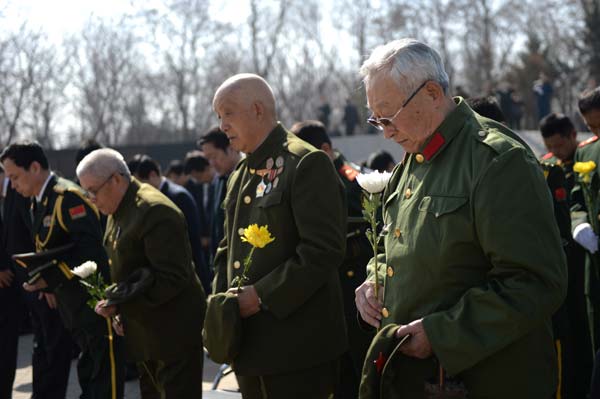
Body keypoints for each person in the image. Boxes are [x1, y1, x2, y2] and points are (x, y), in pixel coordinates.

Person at [354, 39, 566, 398]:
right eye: (377, 120)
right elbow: (398, 246)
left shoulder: (495, 159)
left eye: (389, 117)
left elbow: (535, 281)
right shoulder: (415, 159)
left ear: (432, 93)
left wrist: (442, 333)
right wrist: (374, 280)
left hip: (488, 380)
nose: (386, 132)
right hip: (420, 380)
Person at [207, 73, 348, 399]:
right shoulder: (240, 174)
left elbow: (323, 250)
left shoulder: (305, 162)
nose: (222, 125)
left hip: (296, 349)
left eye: (228, 113)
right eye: (218, 116)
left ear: (257, 109)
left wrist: (262, 295)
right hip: (248, 345)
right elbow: (227, 250)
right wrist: (220, 310)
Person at [76, 148, 206, 399]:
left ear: (115, 179)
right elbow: (129, 269)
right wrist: (117, 302)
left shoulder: (153, 210)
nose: (91, 198)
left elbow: (173, 277)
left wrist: (124, 307)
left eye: (93, 190)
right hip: (147, 332)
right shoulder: (119, 207)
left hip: (172, 333)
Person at [1, 141, 125, 399]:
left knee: (104, 381)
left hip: (94, 303)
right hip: (73, 307)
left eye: (15, 177)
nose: (12, 185)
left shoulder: (67, 198)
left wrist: (49, 278)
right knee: (89, 375)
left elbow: (89, 254)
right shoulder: (39, 201)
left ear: (35, 167)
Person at [291, 119, 373, 399]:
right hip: (326, 291)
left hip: (353, 287)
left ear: (326, 149)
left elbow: (365, 232)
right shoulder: (307, 178)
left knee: (359, 367)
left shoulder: (353, 180)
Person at [130, 154, 211, 292]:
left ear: (153, 175)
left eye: (141, 183)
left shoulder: (178, 196)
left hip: (188, 276)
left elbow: (192, 241)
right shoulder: (151, 200)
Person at [570, 87, 600, 397]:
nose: (597, 133)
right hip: (595, 264)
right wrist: (580, 225)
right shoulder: (586, 152)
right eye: (592, 127)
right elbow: (578, 199)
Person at [197, 127, 241, 260]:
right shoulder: (217, 181)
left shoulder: (249, 177)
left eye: (214, 156)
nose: (212, 164)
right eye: (208, 159)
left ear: (231, 148)